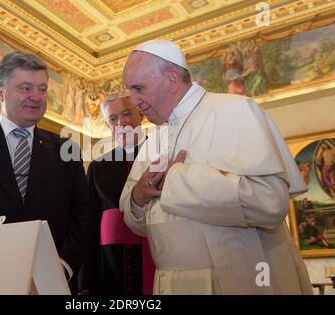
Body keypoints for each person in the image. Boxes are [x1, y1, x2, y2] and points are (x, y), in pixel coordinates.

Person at [119, 39, 313, 294]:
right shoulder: (153, 141)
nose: (133, 101)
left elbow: (270, 203)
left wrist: (175, 180)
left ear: (172, 79)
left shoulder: (237, 111)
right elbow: (133, 220)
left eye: (139, 88)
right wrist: (138, 196)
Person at [0, 51, 92, 293]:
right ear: (1, 92)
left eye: (42, 89)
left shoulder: (67, 149)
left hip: (50, 282)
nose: (36, 97)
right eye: (25, 88)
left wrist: (59, 266)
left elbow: (84, 214)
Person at [78, 91, 155, 295]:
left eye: (127, 114)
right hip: (110, 268)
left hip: (158, 258)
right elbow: (90, 228)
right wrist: (85, 283)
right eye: (113, 118)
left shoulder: (162, 155)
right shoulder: (98, 167)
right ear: (108, 125)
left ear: (141, 115)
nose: (121, 122)